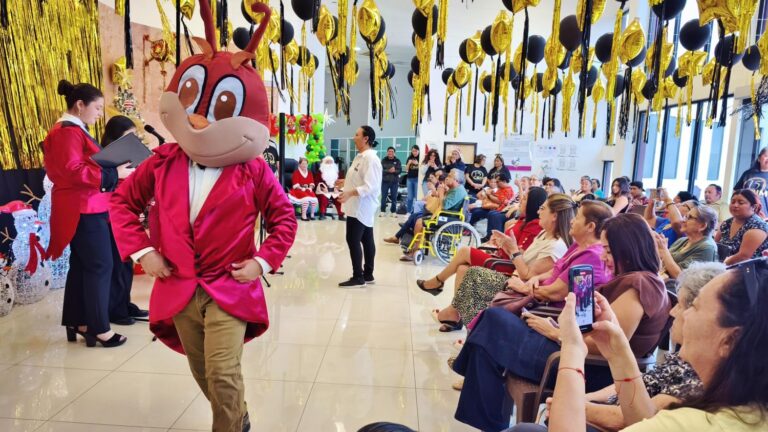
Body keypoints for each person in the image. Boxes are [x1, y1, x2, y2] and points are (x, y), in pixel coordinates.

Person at [111, 5, 297, 430]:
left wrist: (262, 261)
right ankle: (238, 417)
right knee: (202, 370)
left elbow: (284, 218)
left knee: (223, 372)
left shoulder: (253, 169)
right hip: (177, 284)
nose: (198, 117)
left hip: (229, 285)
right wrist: (143, 251)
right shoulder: (162, 161)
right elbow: (121, 203)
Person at [453, 213, 671, 431]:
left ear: (628, 249)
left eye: (608, 250)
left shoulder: (639, 285)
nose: (604, 257)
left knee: (493, 323)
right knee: (491, 330)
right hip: (573, 349)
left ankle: (480, 402)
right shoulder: (639, 280)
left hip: (588, 365)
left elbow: (610, 344)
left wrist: (556, 333)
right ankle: (489, 420)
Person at [523, 258, 768, 432]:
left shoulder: (691, 424)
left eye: (694, 306)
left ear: (730, 340)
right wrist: (617, 349)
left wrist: (572, 351)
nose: (676, 312)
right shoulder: (748, 410)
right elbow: (643, 421)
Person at [581, 262, 724, 432]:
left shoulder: (699, 377)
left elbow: (633, 421)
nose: (672, 312)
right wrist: (586, 399)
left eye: (683, 305)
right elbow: (642, 382)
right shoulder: (685, 357)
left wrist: (575, 404)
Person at [44, 80, 133, 348]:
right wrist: (113, 173)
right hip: (84, 208)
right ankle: (99, 328)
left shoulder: (72, 130)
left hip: (86, 206)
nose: (99, 113)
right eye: (97, 108)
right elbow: (72, 171)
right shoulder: (67, 132)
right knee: (100, 266)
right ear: (80, 105)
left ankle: (78, 321)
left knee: (84, 266)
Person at [431, 194, 574, 331]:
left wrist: (513, 250)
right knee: (464, 269)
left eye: (542, 209)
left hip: (523, 290)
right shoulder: (544, 234)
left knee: (473, 273)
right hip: (515, 277)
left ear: (554, 216)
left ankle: (472, 327)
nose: (538, 211)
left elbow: (527, 275)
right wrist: (508, 245)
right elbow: (525, 259)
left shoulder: (556, 245)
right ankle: (464, 321)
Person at [416, 188, 549, 293]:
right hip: (501, 256)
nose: (520, 202)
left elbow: (520, 254)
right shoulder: (522, 220)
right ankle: (455, 312)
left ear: (532, 204)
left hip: (506, 265)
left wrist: (503, 243)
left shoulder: (534, 225)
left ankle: (438, 281)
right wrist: (500, 241)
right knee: (462, 268)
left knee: (464, 251)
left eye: (524, 199)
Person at [100, 115, 148, 326]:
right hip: (110, 216)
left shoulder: (129, 157)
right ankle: (115, 310)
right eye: (129, 136)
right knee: (117, 267)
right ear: (115, 138)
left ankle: (125, 304)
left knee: (127, 264)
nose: (133, 141)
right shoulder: (105, 160)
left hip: (127, 214)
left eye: (135, 136)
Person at [338, 126, 383, 287]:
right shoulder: (361, 157)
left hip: (361, 206)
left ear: (365, 139)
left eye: (357, 135)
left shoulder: (371, 159)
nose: (354, 137)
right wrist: (345, 182)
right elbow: (360, 178)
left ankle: (358, 276)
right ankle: (368, 275)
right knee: (366, 239)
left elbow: (371, 186)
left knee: (353, 239)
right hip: (358, 205)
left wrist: (349, 193)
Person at [399, 169, 468, 261]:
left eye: (450, 176)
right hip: (446, 216)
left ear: (456, 180)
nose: (447, 178)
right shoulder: (455, 189)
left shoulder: (458, 191)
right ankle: (411, 245)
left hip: (448, 218)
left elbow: (444, 206)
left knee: (419, 222)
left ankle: (416, 250)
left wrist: (441, 193)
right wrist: (443, 192)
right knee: (417, 217)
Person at [655, 205, 719, 280]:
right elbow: (662, 262)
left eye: (689, 217)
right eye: (685, 216)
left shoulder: (707, 248)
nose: (683, 220)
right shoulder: (682, 240)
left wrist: (664, 251)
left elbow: (681, 277)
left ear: (702, 226)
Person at [715, 189, 768, 264]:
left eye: (741, 203)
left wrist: (718, 266)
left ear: (753, 207)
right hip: (721, 265)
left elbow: (743, 257)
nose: (735, 205)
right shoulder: (726, 223)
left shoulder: (758, 226)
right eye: (733, 202)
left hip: (747, 268)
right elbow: (715, 246)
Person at [734, 146, 768, 212]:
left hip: (764, 215)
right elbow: (736, 192)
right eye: (766, 156)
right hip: (744, 213)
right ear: (759, 158)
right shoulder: (747, 174)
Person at [315, 155, 345, 220]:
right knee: (323, 197)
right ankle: (322, 214)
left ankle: (341, 215)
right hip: (324, 190)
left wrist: (337, 188)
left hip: (334, 190)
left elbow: (340, 182)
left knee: (339, 197)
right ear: (324, 163)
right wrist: (322, 188)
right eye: (327, 162)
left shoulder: (337, 172)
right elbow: (316, 182)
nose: (329, 164)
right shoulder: (320, 172)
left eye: (331, 162)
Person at [380, 146, 402, 216]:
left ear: (394, 153)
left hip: (394, 182)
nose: (390, 153)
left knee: (394, 197)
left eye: (392, 152)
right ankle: (382, 211)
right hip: (385, 182)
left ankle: (393, 211)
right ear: (387, 152)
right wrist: (388, 170)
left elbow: (400, 170)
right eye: (389, 151)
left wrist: (394, 171)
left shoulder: (397, 161)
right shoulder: (383, 160)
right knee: (383, 197)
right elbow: (380, 171)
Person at [405, 145, 420, 213]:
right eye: (413, 151)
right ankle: (408, 212)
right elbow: (406, 170)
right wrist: (409, 163)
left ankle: (416, 212)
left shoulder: (421, 157)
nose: (414, 152)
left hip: (417, 179)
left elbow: (422, 169)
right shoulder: (409, 158)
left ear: (418, 151)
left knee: (417, 197)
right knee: (410, 197)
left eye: (416, 151)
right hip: (409, 179)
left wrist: (417, 164)